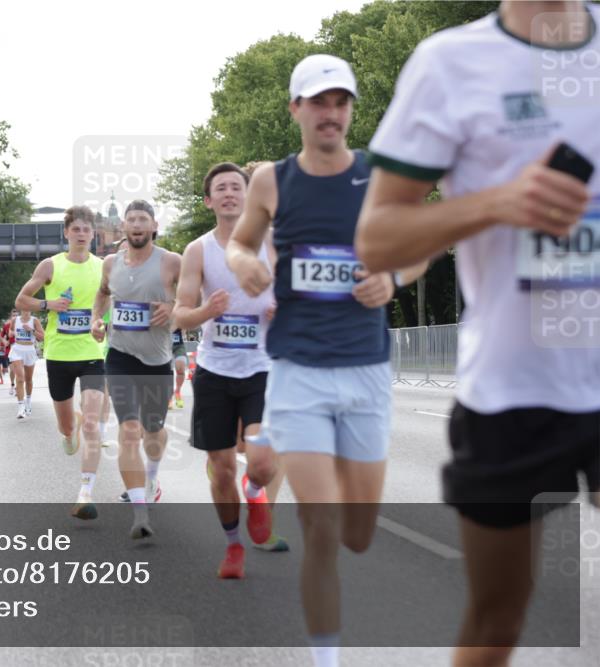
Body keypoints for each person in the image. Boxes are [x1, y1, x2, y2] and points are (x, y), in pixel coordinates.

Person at [357, 3, 598, 664]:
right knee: (498, 617)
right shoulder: (451, 62)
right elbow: (377, 237)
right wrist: (496, 202)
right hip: (513, 389)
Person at [226, 55, 427, 666]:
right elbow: (240, 241)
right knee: (322, 528)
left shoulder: (380, 176)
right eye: (318, 101)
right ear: (296, 109)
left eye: (341, 101)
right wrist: (246, 264)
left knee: (359, 534)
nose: (330, 112)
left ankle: (260, 467)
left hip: (366, 370)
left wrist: (391, 276)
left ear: (350, 109)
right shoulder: (272, 182)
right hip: (298, 370)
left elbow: (418, 248)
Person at [175, 162, 288, 578]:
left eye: (236, 187)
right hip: (214, 370)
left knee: (260, 463)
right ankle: (233, 545)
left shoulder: (274, 243)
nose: (228, 193)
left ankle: (255, 491)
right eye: (219, 188)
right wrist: (208, 310)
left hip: (263, 366)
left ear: (249, 195)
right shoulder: (199, 251)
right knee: (221, 467)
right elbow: (180, 315)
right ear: (209, 201)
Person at [92, 199, 181, 540]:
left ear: (153, 227)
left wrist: (172, 307)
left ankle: (153, 477)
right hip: (120, 355)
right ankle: (139, 511)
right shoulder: (110, 263)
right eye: (132, 220)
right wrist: (96, 319)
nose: (137, 225)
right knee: (128, 431)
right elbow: (101, 295)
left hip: (157, 359)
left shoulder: (172, 261)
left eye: (143, 219)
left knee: (152, 431)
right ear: (124, 228)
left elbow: (194, 298)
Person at [15, 205, 108, 521]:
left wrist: (103, 324)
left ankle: (85, 493)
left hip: (94, 354)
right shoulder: (50, 266)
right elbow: (21, 300)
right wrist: (47, 304)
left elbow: (114, 304)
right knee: (68, 430)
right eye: (76, 229)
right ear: (67, 233)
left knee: (94, 422)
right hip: (58, 355)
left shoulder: (104, 267)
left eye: (86, 229)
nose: (81, 234)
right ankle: (71, 432)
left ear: (93, 234)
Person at [7, 309, 45, 419]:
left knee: (28, 380)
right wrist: (12, 333)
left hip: (29, 350)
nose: (26, 309)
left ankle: (28, 401)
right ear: (21, 308)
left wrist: (31, 330)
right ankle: (20, 407)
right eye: (24, 307)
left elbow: (43, 337)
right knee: (20, 378)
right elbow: (10, 333)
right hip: (17, 349)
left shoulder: (35, 321)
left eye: (29, 307)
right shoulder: (15, 320)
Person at [0, 312, 16, 394]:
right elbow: (1, 336)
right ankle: (12, 385)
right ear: (10, 317)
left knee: (19, 370)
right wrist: (5, 342)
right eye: (13, 315)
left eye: (16, 315)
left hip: (21, 350)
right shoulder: (7, 326)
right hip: (10, 350)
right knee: (12, 369)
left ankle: (18, 386)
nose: (15, 317)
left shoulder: (22, 325)